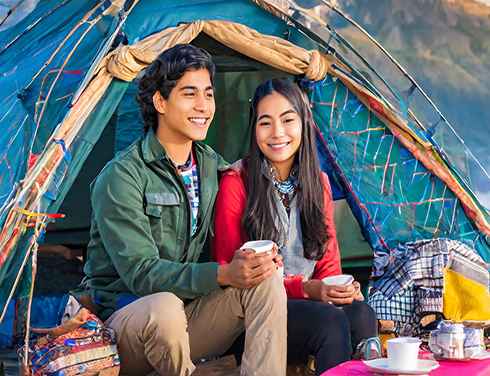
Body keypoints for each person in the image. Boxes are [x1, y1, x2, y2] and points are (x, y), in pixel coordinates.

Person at [75, 44, 286, 376]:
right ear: (161, 101)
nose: (203, 106)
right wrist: (223, 273)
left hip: (187, 321)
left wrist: (258, 261)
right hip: (122, 331)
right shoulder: (122, 176)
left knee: (265, 280)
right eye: (190, 94)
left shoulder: (210, 166)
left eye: (209, 94)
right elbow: (142, 274)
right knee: (164, 305)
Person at [214, 77, 378, 375]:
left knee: (362, 314)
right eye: (265, 123)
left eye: (288, 120)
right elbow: (229, 273)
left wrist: (341, 289)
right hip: (250, 315)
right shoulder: (235, 182)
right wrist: (308, 288)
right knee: (330, 321)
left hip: (307, 308)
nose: (277, 133)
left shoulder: (319, 184)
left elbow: (328, 266)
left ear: (303, 123)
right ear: (254, 129)